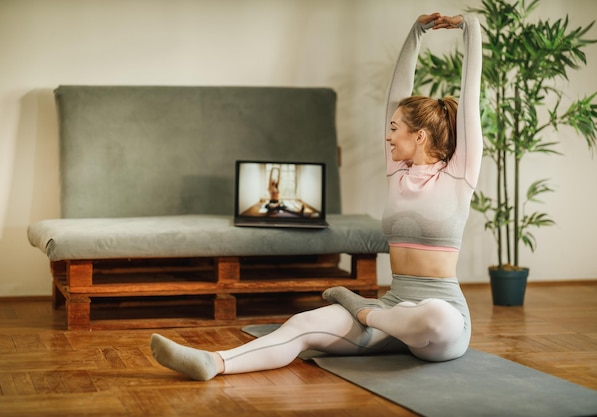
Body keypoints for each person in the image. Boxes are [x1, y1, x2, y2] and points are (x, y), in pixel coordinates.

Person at [150, 11, 482, 381]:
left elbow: (471, 98)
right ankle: (214, 362)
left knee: (435, 317)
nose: (387, 137)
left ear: (419, 136)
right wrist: (416, 33)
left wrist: (470, 26)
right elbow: (398, 94)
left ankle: (363, 310)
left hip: (442, 322)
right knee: (302, 324)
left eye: (395, 129)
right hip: (394, 307)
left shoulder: (459, 176)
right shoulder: (397, 174)